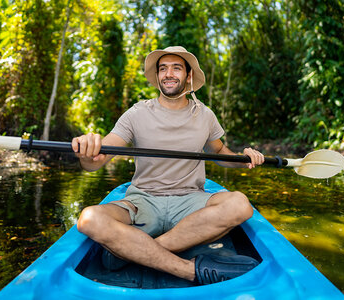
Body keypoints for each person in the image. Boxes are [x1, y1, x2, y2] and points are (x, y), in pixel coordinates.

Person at [72, 46, 264, 285]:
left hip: (190, 200)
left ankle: (137, 253)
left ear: (189, 76)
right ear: (157, 76)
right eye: (163, 68)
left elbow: (218, 152)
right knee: (89, 219)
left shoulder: (205, 115)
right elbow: (96, 162)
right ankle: (188, 270)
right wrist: (87, 151)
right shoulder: (136, 113)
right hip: (143, 201)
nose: (168, 73)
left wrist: (243, 158)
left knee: (240, 205)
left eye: (176, 67)